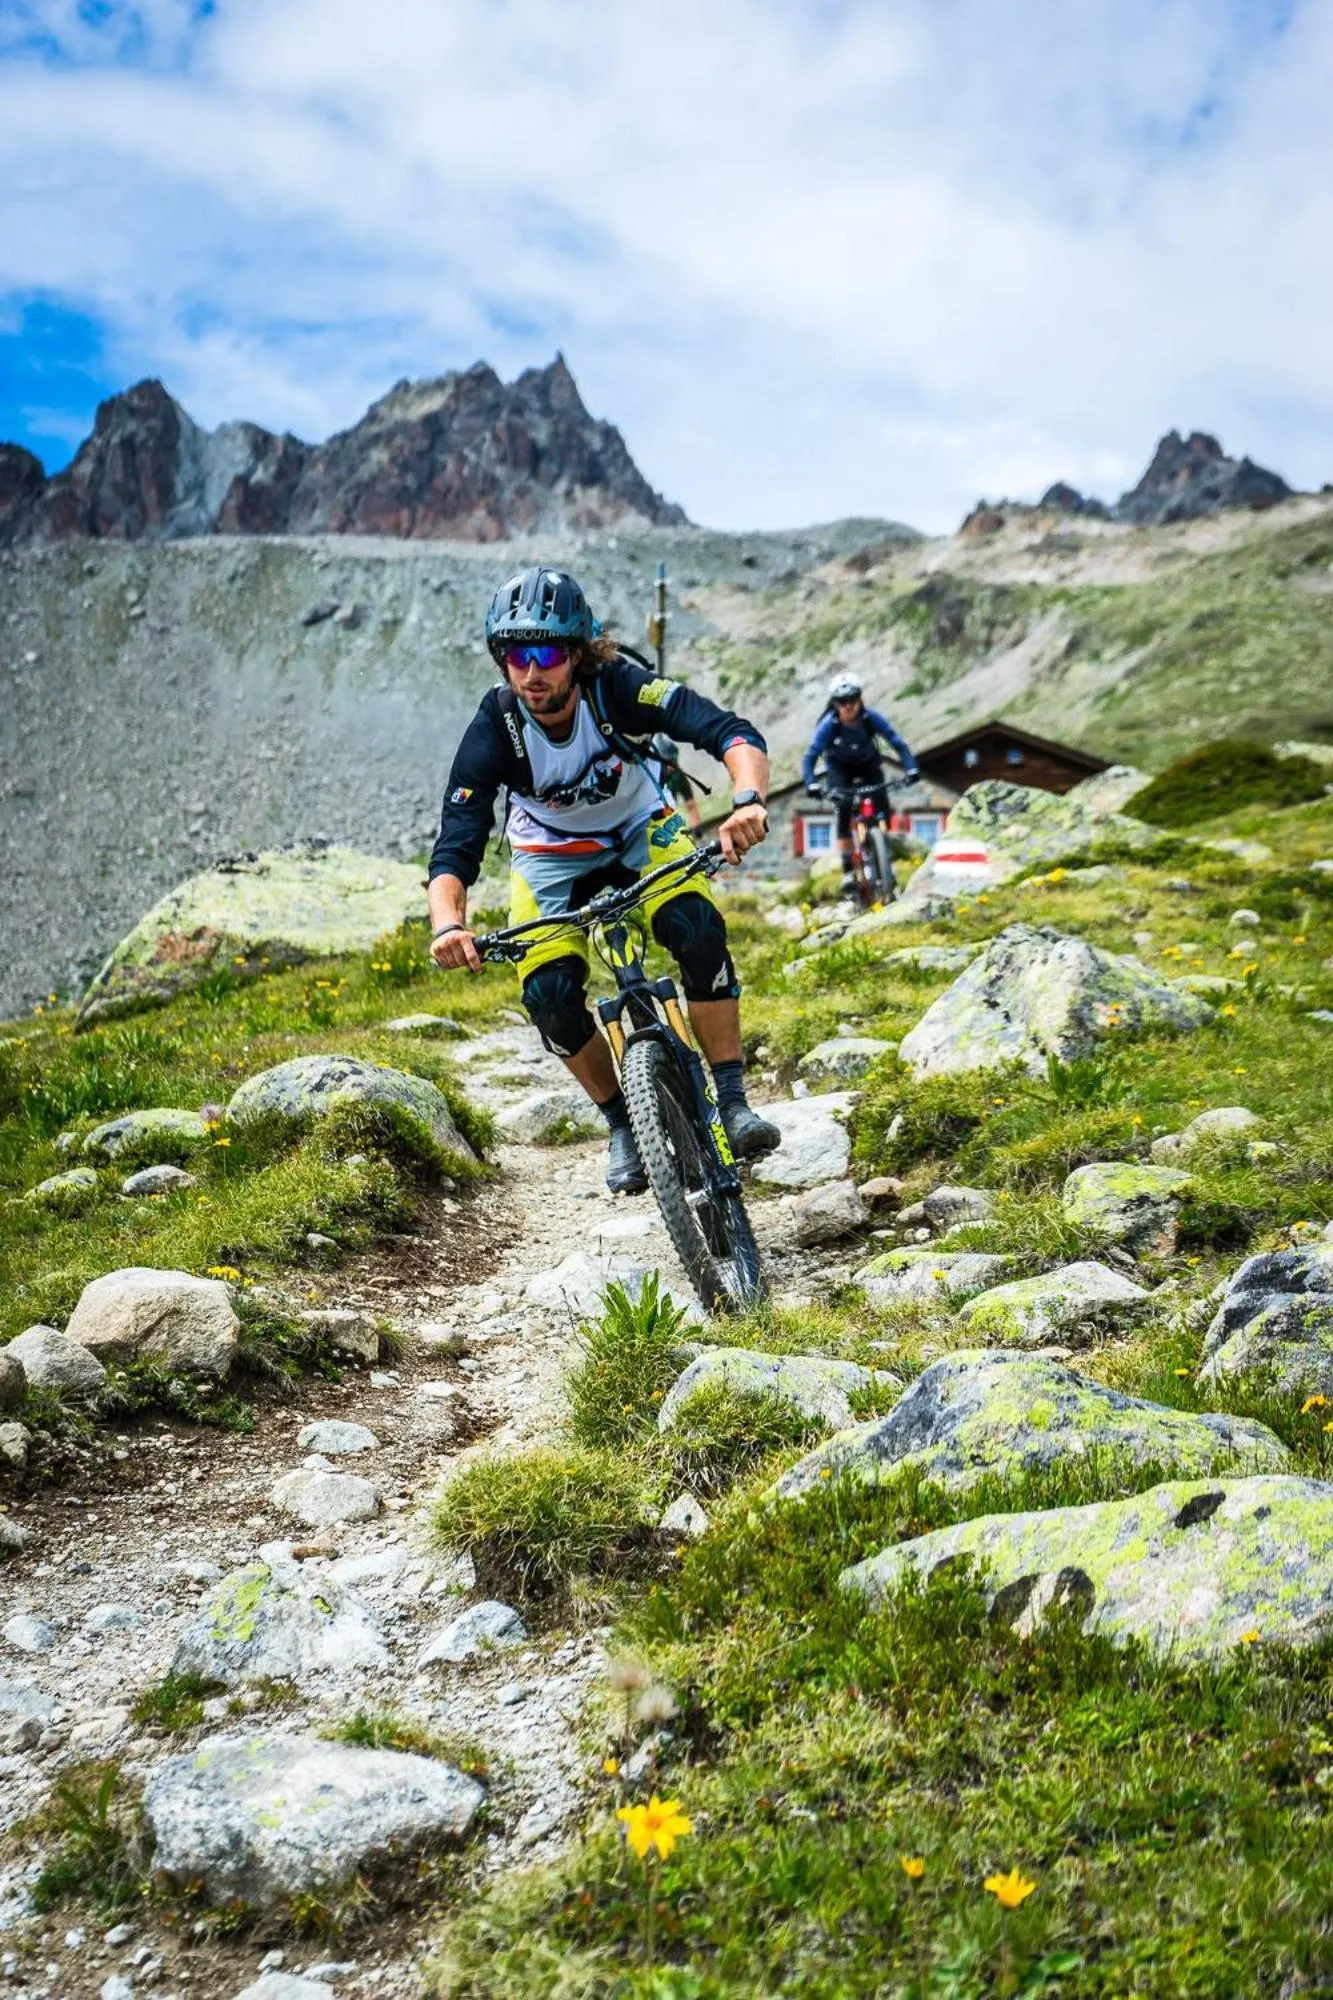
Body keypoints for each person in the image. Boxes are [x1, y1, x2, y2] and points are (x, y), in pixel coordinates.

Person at [427, 565, 780, 1195]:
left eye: (546, 653)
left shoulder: (617, 686)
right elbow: (456, 845)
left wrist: (748, 799)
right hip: (548, 859)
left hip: (641, 832)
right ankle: (622, 1122)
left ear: (579, 652)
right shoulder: (496, 727)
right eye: (514, 655)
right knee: (549, 998)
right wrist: (449, 925)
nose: (531, 672)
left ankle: (731, 1097)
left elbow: (728, 732)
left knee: (696, 929)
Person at [800, 673, 920, 892]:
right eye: (842, 702)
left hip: (869, 766)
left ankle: (883, 853)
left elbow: (897, 743)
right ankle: (848, 869)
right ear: (835, 704)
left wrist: (911, 767)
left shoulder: (871, 718)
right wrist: (811, 783)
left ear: (859, 699)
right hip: (839, 770)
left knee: (882, 807)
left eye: (853, 699)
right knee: (843, 811)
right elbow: (810, 757)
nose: (848, 706)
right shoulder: (829, 725)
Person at [649, 731, 704, 831]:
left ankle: (697, 829)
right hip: (670, 782)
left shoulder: (664, 746)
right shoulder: (658, 747)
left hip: (677, 779)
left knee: (689, 804)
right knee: (671, 808)